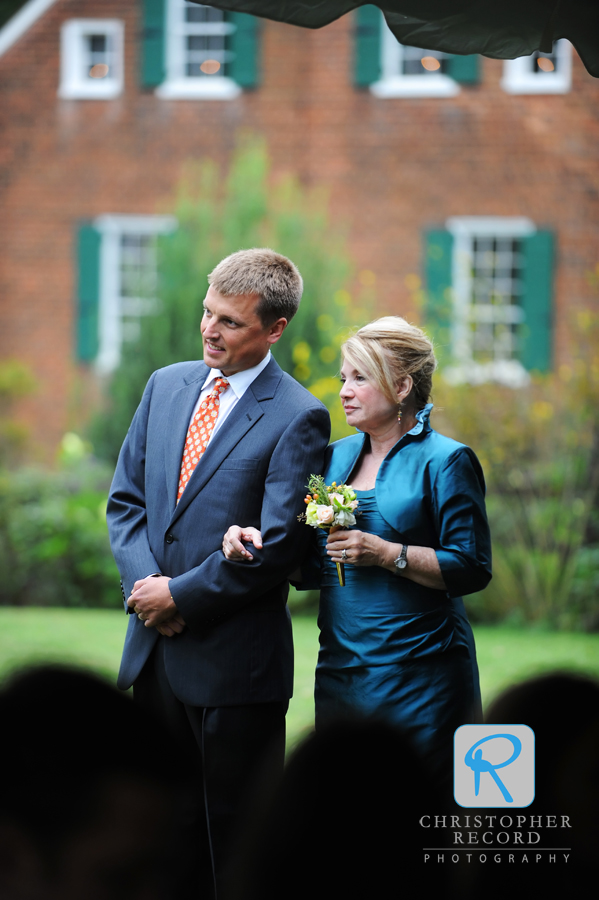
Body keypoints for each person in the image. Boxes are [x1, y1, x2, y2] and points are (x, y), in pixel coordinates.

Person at [106, 248, 330, 897]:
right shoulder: (164, 385)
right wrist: (149, 592)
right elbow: (127, 503)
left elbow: (281, 545)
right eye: (208, 313)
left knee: (230, 849)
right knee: (153, 835)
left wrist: (180, 594)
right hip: (152, 658)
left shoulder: (299, 416)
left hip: (234, 674)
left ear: (274, 328)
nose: (209, 329)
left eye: (229, 322)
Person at [223, 315, 491, 786]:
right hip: (341, 669)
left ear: (403, 385)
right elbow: (308, 567)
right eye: (343, 378)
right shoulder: (333, 459)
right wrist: (251, 540)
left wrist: (386, 553)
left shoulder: (447, 461)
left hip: (423, 674)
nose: (344, 390)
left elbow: (471, 567)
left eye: (360, 378)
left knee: (421, 809)